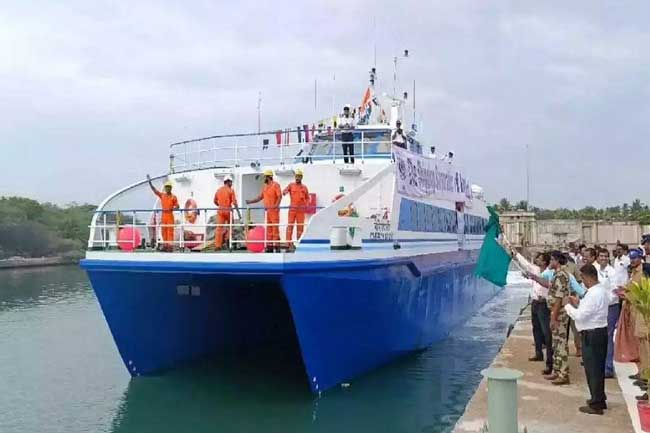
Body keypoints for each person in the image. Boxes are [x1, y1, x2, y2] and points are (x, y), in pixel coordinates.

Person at [565, 264, 610, 415]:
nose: (582, 282)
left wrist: (567, 306)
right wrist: (578, 303)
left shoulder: (593, 294)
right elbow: (590, 310)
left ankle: (596, 404)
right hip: (598, 332)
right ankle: (599, 398)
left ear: (587, 277)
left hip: (592, 335)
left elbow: (579, 316)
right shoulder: (600, 290)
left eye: (582, 278)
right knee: (597, 369)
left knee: (593, 370)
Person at [512, 250, 554, 373]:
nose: (537, 260)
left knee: (547, 332)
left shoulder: (549, 273)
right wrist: (515, 253)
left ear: (544, 262)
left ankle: (550, 362)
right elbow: (525, 264)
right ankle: (538, 353)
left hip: (544, 304)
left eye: (539, 259)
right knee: (536, 328)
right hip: (535, 302)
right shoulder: (535, 269)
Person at [545, 251, 572, 385]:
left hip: (559, 314)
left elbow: (558, 299)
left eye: (551, 260)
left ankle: (563, 374)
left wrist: (553, 317)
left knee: (561, 344)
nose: (550, 262)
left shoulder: (561, 275)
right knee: (555, 344)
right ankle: (556, 370)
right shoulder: (557, 274)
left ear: (556, 261)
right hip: (556, 313)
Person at [594, 249, 618, 378]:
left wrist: (604, 302)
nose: (603, 258)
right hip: (597, 307)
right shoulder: (595, 270)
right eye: (601, 256)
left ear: (608, 258)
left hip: (610, 306)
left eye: (605, 256)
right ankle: (599, 365)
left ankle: (608, 367)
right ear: (597, 258)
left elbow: (615, 291)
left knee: (608, 336)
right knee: (598, 335)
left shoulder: (612, 272)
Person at [246, 169, 282, 252]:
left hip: (274, 211)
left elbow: (279, 196)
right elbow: (260, 197)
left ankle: (277, 246)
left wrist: (276, 206)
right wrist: (250, 201)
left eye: (265, 177)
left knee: (275, 229)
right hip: (267, 211)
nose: (264, 179)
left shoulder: (276, 185)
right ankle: (269, 247)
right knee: (269, 229)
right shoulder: (265, 187)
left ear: (269, 177)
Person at [147, 175, 179, 251]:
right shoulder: (162, 195)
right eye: (166, 187)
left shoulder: (173, 197)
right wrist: (150, 182)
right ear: (165, 188)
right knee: (163, 231)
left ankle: (170, 246)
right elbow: (155, 190)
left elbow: (177, 206)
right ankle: (165, 245)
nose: (167, 188)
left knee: (170, 231)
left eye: (169, 187)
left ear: (171, 188)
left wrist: (173, 208)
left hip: (170, 215)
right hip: (164, 215)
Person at [283, 169, 310, 250]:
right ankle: (288, 244)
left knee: (300, 228)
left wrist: (306, 204)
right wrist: (285, 192)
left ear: (301, 177)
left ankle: (299, 244)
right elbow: (285, 191)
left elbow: (308, 198)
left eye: (298, 176)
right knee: (290, 226)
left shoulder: (304, 188)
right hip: (292, 210)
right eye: (296, 176)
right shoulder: (291, 185)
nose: (297, 178)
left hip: (300, 211)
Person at [213, 175, 241, 250]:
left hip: (220, 211)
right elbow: (234, 203)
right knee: (230, 226)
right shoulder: (231, 190)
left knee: (219, 228)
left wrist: (220, 205)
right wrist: (239, 213)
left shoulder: (218, 190)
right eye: (231, 182)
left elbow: (214, 201)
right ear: (228, 182)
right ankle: (228, 240)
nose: (231, 184)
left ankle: (218, 246)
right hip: (228, 211)